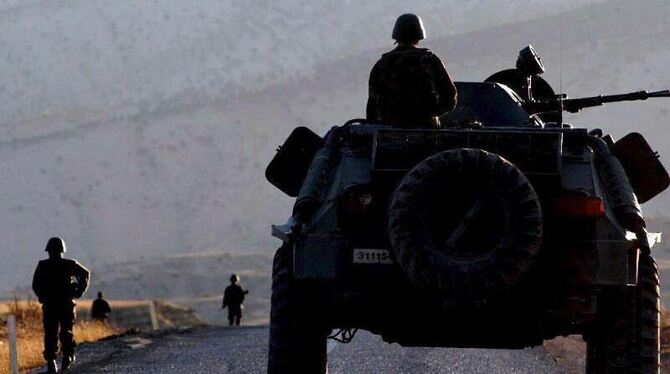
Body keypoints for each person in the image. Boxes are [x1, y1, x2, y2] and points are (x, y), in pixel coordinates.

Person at [366, 13, 458, 128]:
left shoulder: (381, 65)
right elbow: (450, 95)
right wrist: (430, 114)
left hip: (390, 133)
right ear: (419, 35)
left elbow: (372, 107)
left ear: (396, 36)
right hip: (426, 132)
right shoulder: (428, 60)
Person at [32, 237, 90, 373]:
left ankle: (52, 361)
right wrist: (79, 291)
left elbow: (35, 285)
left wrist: (42, 296)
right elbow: (85, 274)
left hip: (50, 305)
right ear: (62, 250)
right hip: (66, 304)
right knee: (66, 331)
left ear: (48, 251)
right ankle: (67, 356)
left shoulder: (43, 265)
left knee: (51, 333)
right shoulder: (69, 264)